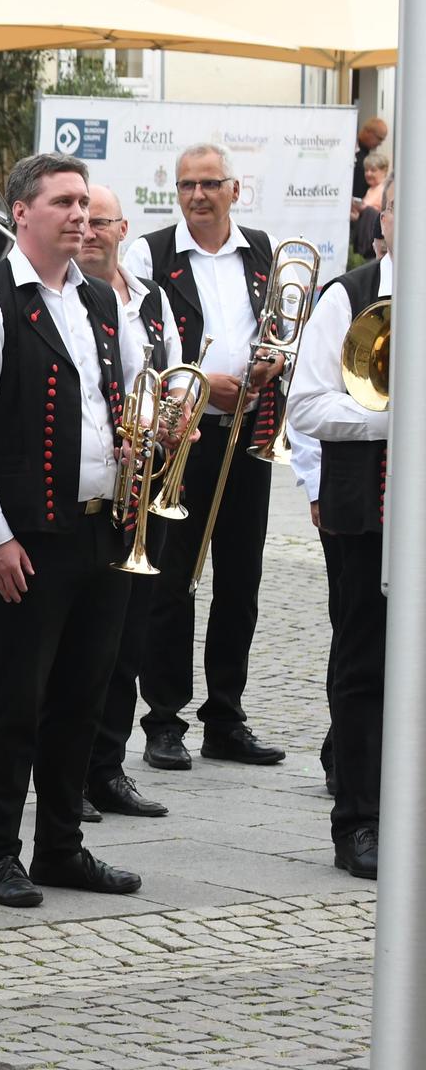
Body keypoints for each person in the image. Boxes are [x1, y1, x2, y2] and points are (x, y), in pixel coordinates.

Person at [0, 152, 149, 908]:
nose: (80, 215)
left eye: (85, 203)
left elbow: (117, 402)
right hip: (27, 539)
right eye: (63, 202)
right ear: (20, 212)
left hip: (102, 530)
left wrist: (140, 440)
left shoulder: (102, 301)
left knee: (81, 701)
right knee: (15, 704)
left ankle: (62, 846)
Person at [122, 143, 287, 771]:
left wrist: (273, 361)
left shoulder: (263, 251)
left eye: (209, 184)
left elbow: (278, 329)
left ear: (233, 190)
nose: (197, 195)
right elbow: (139, 342)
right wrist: (193, 383)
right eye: (187, 185)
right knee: (171, 579)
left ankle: (225, 714)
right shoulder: (151, 254)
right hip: (183, 434)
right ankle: (163, 718)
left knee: (241, 578)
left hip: (249, 430)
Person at [288, 179, 393, 881]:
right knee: (364, 665)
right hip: (368, 512)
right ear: (387, 221)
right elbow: (307, 407)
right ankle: (358, 821)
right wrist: (393, 420)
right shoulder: (346, 296)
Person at [77, 184, 182, 822]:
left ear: (123, 230)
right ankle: (64, 770)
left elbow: (169, 372)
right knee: (82, 641)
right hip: (92, 487)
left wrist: (176, 418)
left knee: (129, 636)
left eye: (101, 223)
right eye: (81, 221)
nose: (89, 232)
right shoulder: (60, 300)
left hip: (146, 481)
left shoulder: (152, 298)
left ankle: (107, 768)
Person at [353, 150, 391, 261]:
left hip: (376, 243)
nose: (368, 174)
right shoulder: (370, 190)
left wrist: (366, 208)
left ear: (384, 171)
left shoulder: (386, 189)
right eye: (366, 170)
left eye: (373, 170)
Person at [351, 117, 388, 202]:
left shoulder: (366, 155)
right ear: (368, 132)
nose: (380, 143)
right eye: (379, 138)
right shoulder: (350, 148)